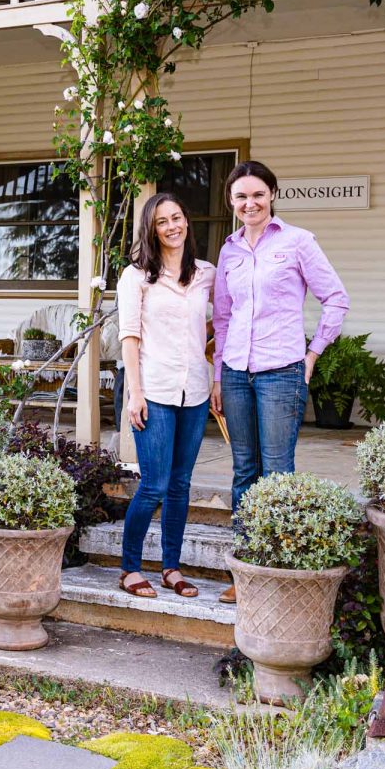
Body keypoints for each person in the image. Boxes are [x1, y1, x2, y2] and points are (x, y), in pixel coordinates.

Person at [211, 160, 349, 603]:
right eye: (240, 197)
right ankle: (245, 569)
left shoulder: (297, 242)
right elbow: (222, 317)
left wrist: (312, 355)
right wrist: (218, 376)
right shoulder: (229, 250)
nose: (249, 203)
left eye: (257, 194)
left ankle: (274, 571)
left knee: (276, 473)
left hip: (280, 372)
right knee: (243, 472)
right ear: (231, 203)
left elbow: (336, 299)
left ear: (272, 194)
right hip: (234, 372)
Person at [117, 192, 216, 599]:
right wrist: (133, 393)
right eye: (162, 221)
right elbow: (129, 336)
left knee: (180, 484)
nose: (172, 226)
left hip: (194, 390)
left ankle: (171, 568)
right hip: (152, 390)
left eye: (177, 217)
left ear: (186, 222)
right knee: (154, 483)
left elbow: (220, 324)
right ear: (151, 228)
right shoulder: (135, 276)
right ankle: (130, 567)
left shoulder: (207, 274)